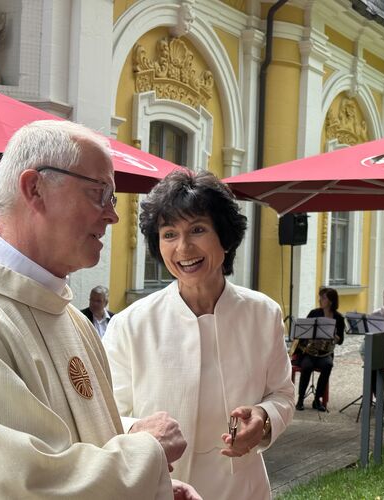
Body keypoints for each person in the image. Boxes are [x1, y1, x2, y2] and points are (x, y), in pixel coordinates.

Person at [0, 120, 197, 499]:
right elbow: (27, 486)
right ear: (35, 189)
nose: (113, 215)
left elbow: (84, 443)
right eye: (100, 194)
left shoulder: (73, 319)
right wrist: (147, 450)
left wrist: (152, 485)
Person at [103, 169, 295, 500]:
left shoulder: (263, 314)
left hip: (242, 489)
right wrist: (139, 430)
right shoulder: (131, 324)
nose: (183, 247)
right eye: (168, 234)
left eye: (197, 229)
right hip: (159, 488)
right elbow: (104, 414)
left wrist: (263, 419)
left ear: (225, 236)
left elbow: (282, 394)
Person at [295, 287, 345, 411]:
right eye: (320, 297)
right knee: (306, 366)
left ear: (331, 301)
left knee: (328, 365)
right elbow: (303, 333)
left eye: (323, 298)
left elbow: (341, 341)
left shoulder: (338, 318)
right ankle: (300, 399)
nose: (320, 300)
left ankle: (317, 399)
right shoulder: (314, 313)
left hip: (325, 353)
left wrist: (334, 336)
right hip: (309, 352)